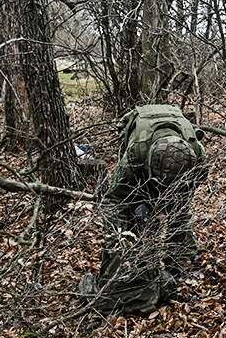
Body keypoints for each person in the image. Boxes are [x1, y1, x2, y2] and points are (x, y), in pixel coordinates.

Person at [78, 104, 206, 315]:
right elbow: (113, 200)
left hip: (175, 161)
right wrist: (117, 241)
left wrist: (169, 207)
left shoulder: (197, 154)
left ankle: (178, 260)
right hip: (138, 129)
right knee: (130, 212)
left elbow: (189, 192)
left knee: (179, 211)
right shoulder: (134, 155)